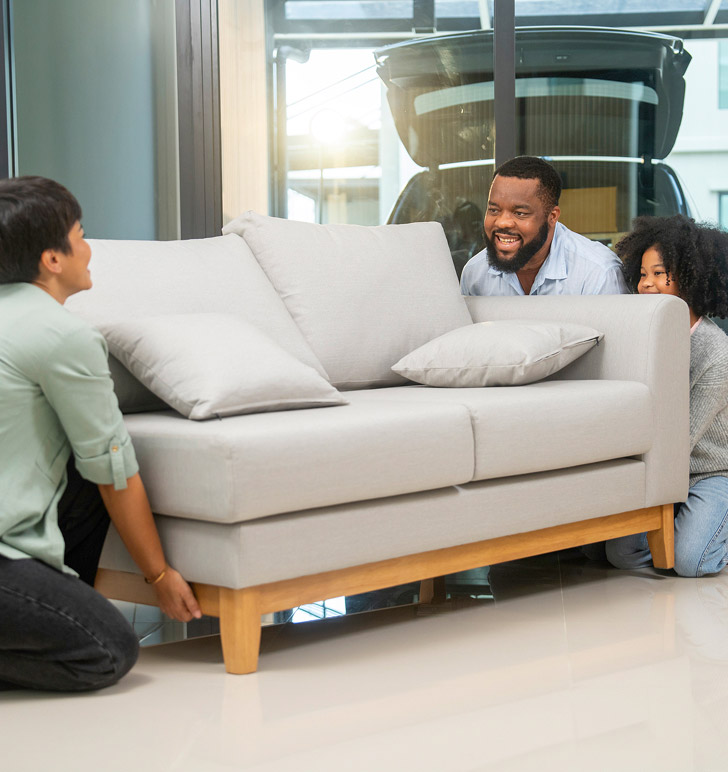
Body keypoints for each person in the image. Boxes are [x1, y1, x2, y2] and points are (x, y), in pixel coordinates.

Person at [0, 176, 202, 692]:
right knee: (109, 649)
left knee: (80, 466)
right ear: (53, 259)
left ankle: (58, 601)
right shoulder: (64, 335)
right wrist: (159, 576)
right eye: (81, 234)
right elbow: (115, 470)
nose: (89, 249)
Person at [601, 214, 728, 577]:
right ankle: (696, 529)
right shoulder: (646, 336)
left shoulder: (716, 353)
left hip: (710, 472)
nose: (647, 284)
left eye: (660, 273)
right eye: (643, 274)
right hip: (663, 469)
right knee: (621, 554)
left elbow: (680, 440)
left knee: (691, 561)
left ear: (690, 277)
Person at [460, 155, 628, 296]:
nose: (502, 222)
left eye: (520, 213)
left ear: (552, 217)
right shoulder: (475, 274)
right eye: (494, 210)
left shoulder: (597, 273)